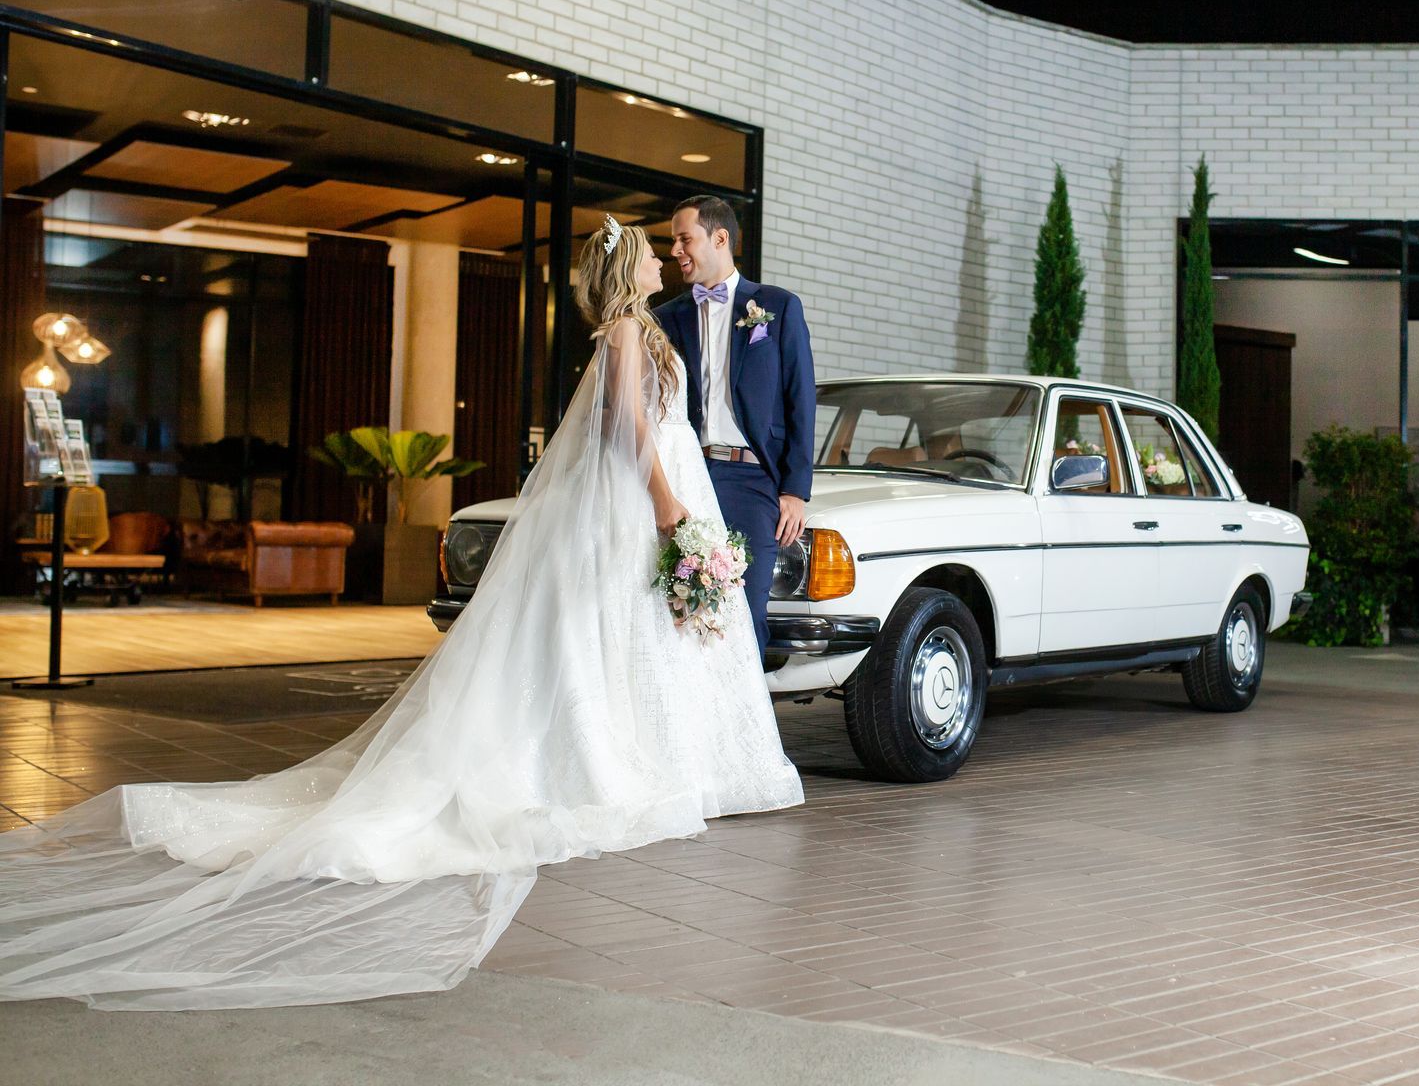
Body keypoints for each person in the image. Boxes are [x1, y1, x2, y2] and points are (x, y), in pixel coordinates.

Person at [0, 217, 802, 1011]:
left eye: (680, 244)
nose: (669, 258)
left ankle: (664, 760)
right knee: (604, 643)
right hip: (645, 503)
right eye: (656, 251)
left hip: (655, 504)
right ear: (631, 269)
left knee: (627, 644)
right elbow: (628, 430)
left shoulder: (642, 329)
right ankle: (607, 763)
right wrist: (667, 503)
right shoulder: (629, 333)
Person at [658, 196, 816, 656]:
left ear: (719, 237)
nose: (675, 250)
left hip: (753, 481)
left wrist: (794, 490)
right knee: (683, 606)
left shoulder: (777, 307)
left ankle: (752, 726)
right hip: (689, 476)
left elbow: (800, 400)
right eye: (673, 241)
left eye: (684, 238)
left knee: (746, 613)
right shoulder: (667, 319)